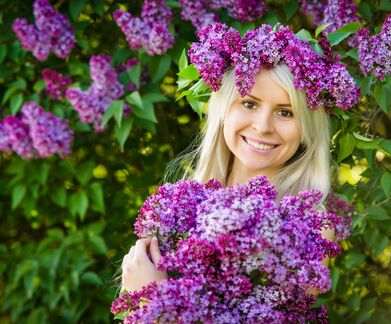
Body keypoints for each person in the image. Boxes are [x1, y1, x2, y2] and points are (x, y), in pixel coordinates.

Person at [120, 23, 359, 293]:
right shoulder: (179, 208)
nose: (263, 126)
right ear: (223, 110)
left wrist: (151, 302)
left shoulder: (308, 228)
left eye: (285, 112)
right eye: (249, 104)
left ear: (307, 129)